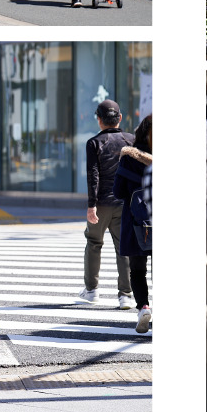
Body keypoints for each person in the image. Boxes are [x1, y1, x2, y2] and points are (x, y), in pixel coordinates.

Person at [77, 99, 134, 308]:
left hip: (101, 203)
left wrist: (91, 205)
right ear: (119, 118)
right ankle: (125, 294)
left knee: (94, 243)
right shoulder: (131, 140)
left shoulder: (94, 143)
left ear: (99, 120)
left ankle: (92, 290)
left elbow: (93, 175)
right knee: (124, 247)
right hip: (125, 203)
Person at [113, 114, 152, 334]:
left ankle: (143, 307)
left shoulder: (129, 158)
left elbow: (118, 192)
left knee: (137, 270)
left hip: (138, 222)